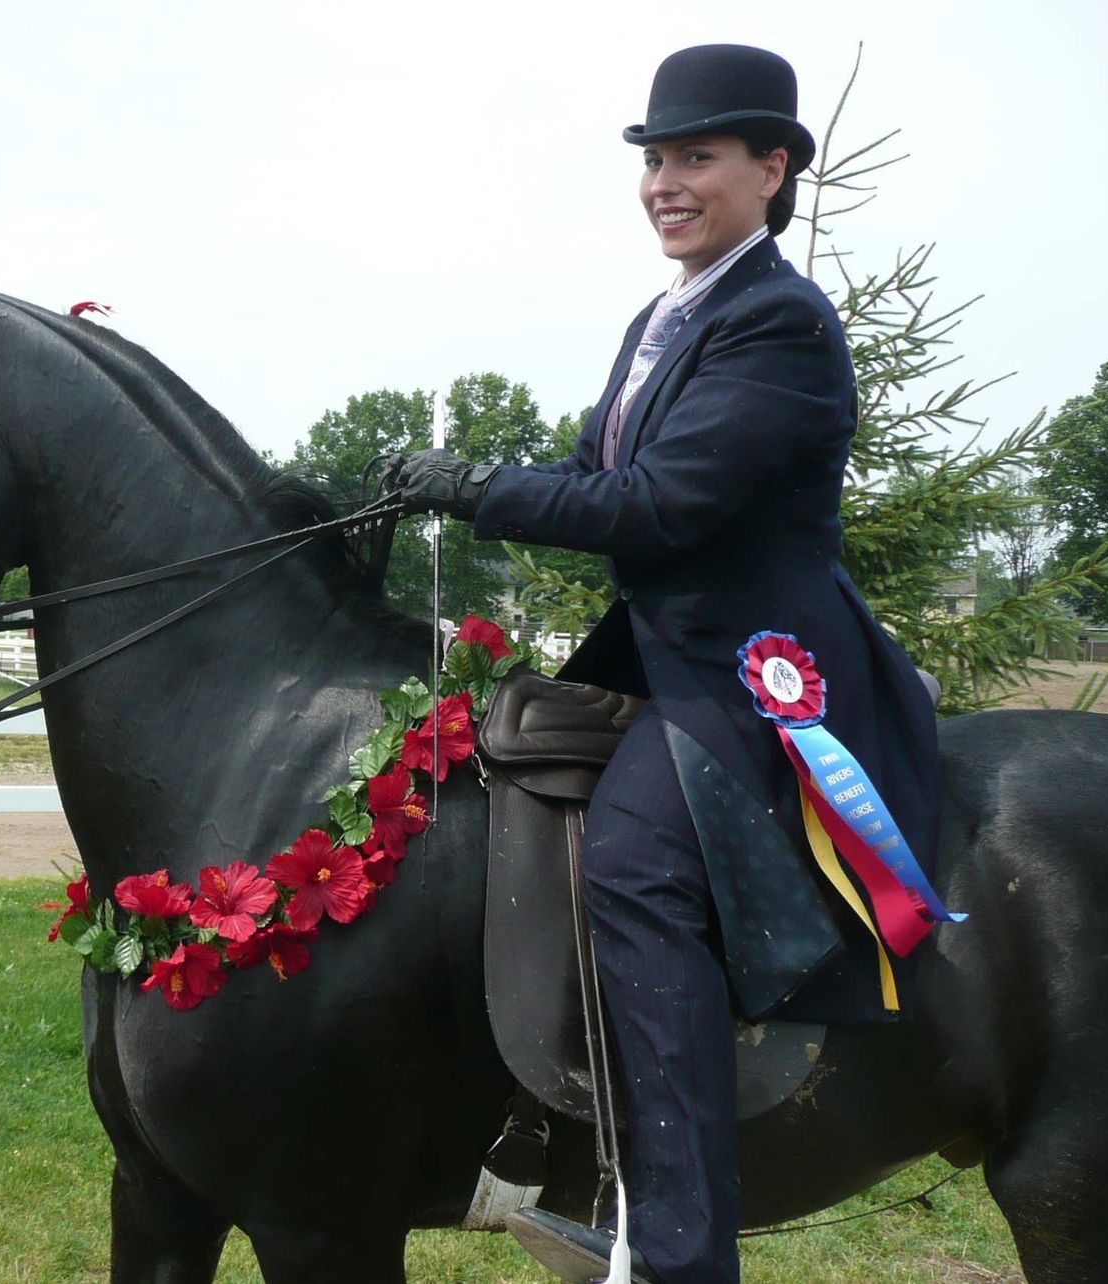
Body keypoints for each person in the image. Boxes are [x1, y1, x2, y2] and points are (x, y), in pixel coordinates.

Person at [387, 44, 945, 1284]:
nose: (663, 184)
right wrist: (448, 485)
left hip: (761, 669)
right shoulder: (662, 319)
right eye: (653, 161)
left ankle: (678, 1252)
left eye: (696, 157)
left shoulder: (779, 322)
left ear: (772, 169)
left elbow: (659, 506)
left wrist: (474, 487)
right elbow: (595, 474)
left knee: (635, 866)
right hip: (663, 654)